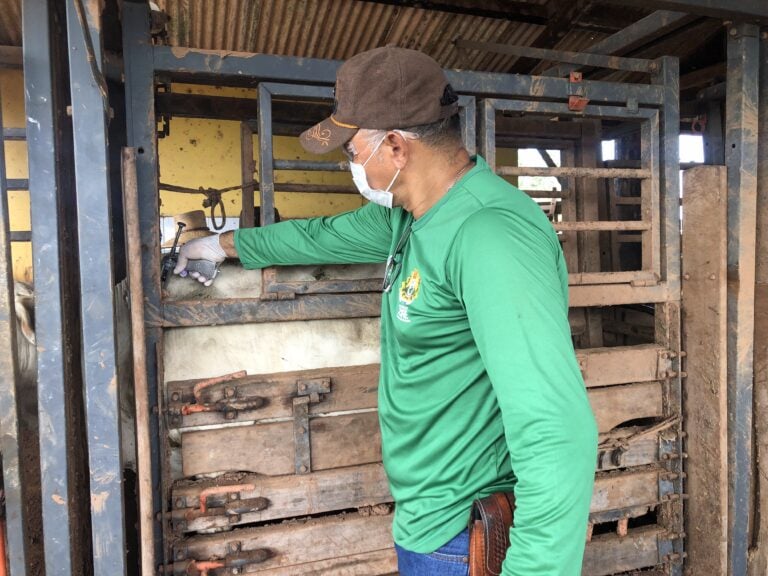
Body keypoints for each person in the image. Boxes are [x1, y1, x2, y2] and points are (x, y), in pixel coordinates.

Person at [174, 46, 598, 576]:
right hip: (427, 518)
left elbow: (555, 428)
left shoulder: (489, 235)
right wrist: (220, 245)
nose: (350, 164)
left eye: (353, 151)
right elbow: (320, 235)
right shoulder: (411, 215)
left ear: (396, 146)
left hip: (461, 530)